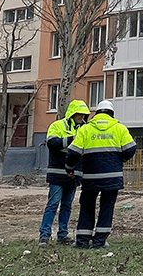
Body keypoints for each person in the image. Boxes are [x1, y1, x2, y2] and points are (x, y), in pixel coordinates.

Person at [65, 99, 135, 249]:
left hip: (90, 177)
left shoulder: (86, 129)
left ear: (96, 114)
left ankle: (82, 241)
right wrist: (120, 159)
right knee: (107, 207)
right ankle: (100, 242)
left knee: (87, 206)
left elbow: (73, 152)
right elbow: (130, 149)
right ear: (112, 114)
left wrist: (69, 167)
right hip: (112, 177)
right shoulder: (120, 128)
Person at [39, 99, 91, 245]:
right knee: (53, 204)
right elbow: (52, 143)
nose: (81, 117)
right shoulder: (57, 125)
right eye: (79, 114)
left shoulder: (85, 128)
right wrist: (73, 140)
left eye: (83, 115)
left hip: (74, 174)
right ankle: (44, 235)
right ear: (72, 114)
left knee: (67, 206)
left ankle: (62, 235)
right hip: (57, 173)